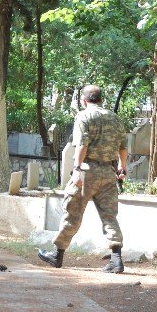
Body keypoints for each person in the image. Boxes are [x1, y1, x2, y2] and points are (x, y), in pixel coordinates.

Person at [37, 85, 128, 273]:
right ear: (101, 99)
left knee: (72, 213)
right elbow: (123, 147)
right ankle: (116, 259)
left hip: (87, 172)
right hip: (108, 173)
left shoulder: (84, 116)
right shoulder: (115, 118)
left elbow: (82, 145)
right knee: (110, 216)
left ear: (84, 101)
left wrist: (77, 167)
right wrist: (122, 167)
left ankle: (58, 254)